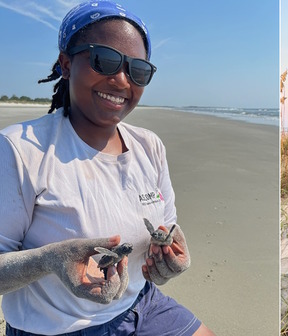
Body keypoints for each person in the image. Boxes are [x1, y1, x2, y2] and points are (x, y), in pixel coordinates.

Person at [0, 1, 214, 335]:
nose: (121, 80)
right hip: (58, 328)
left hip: (142, 304)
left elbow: (166, 228)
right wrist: (47, 260)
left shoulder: (149, 146)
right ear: (67, 64)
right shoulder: (21, 149)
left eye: (138, 70)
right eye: (105, 60)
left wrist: (168, 259)